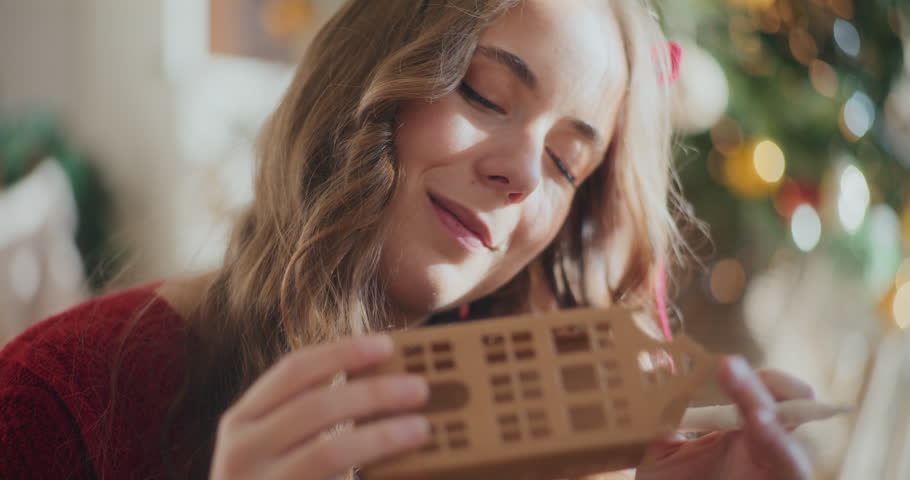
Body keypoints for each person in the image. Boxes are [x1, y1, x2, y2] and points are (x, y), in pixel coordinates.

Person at [0, 1, 815, 479]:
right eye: (486, 93)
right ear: (367, 77)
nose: (525, 176)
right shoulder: (56, 400)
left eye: (568, 163)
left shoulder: (540, 445)